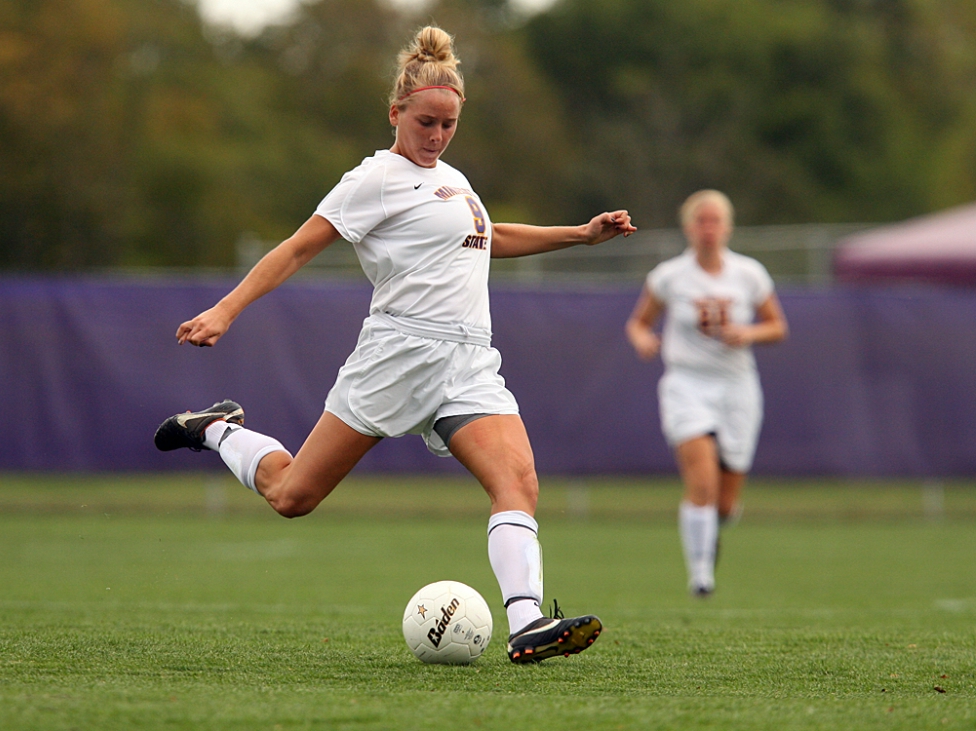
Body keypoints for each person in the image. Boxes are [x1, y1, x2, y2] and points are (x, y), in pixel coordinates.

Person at [154, 26, 636, 662]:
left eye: (449, 125)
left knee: (517, 480)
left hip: (468, 360)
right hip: (398, 356)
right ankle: (216, 429)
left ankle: (525, 625)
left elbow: (489, 236)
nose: (437, 136)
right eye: (427, 122)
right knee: (293, 496)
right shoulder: (373, 179)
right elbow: (298, 247)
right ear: (396, 114)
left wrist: (579, 235)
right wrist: (225, 309)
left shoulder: (455, 179)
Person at [625, 190, 787, 596]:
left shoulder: (748, 274)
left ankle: (713, 529)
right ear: (688, 227)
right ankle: (701, 575)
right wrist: (643, 340)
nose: (708, 229)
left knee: (726, 505)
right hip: (686, 384)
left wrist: (748, 332)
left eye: (715, 220)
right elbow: (638, 323)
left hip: (737, 386)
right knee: (701, 482)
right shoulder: (669, 276)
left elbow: (777, 326)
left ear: (728, 226)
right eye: (701, 221)